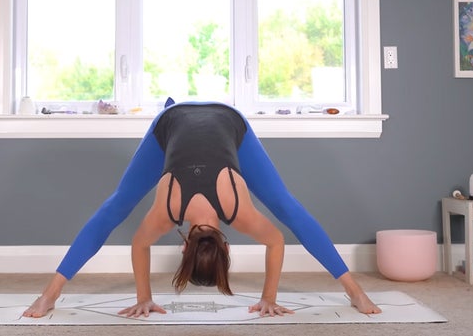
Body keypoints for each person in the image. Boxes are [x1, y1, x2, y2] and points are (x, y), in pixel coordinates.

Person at [23, 100, 381, 318]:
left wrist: (144, 299)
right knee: (286, 206)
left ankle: (48, 295)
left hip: (225, 121)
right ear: (186, 246)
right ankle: (355, 291)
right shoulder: (201, 210)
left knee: (116, 206)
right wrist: (268, 300)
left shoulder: (175, 209)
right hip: (173, 120)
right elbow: (276, 242)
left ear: (224, 245)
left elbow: (138, 244)